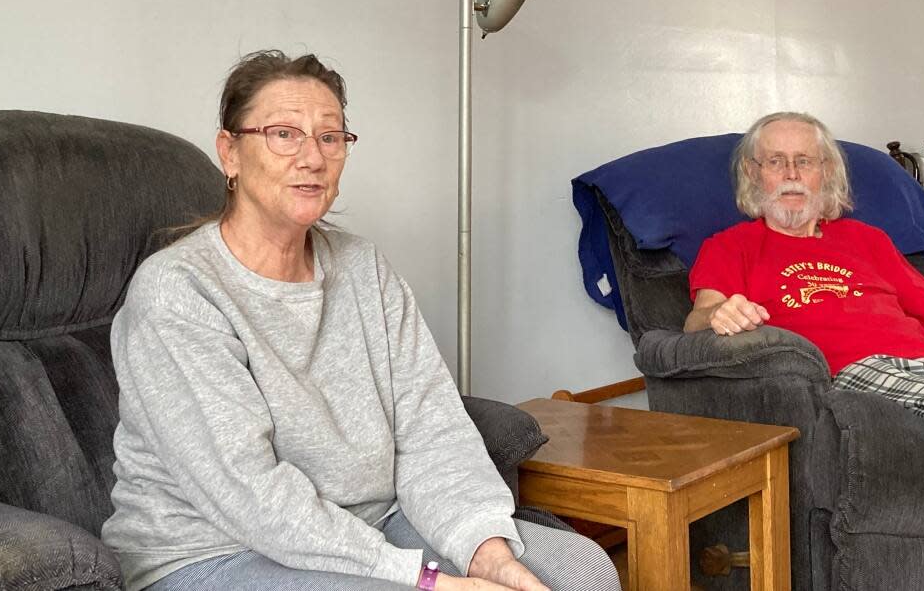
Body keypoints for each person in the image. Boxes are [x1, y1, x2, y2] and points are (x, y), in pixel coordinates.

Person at [101, 50, 620, 591]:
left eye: (330, 137)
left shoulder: (363, 267)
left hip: (373, 523)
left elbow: (430, 428)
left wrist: (488, 554)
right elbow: (248, 494)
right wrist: (426, 582)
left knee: (579, 570)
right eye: (283, 134)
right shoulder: (178, 291)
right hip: (216, 551)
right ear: (229, 153)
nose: (312, 157)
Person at [685, 111, 924, 591]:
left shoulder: (867, 240)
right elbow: (699, 316)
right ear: (752, 173)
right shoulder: (732, 248)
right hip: (859, 375)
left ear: (825, 172)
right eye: (775, 161)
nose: (790, 174)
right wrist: (719, 315)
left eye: (803, 161)